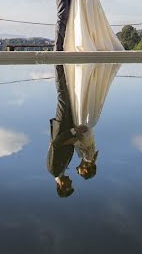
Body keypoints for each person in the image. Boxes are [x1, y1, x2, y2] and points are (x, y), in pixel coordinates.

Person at [47, 65, 87, 198]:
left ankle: (58, 59)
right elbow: (67, 146)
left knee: (62, 93)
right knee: (69, 92)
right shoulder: (62, 169)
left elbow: (55, 144)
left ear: (62, 186)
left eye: (70, 185)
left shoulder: (54, 170)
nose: (71, 181)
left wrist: (74, 131)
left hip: (63, 124)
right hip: (66, 125)